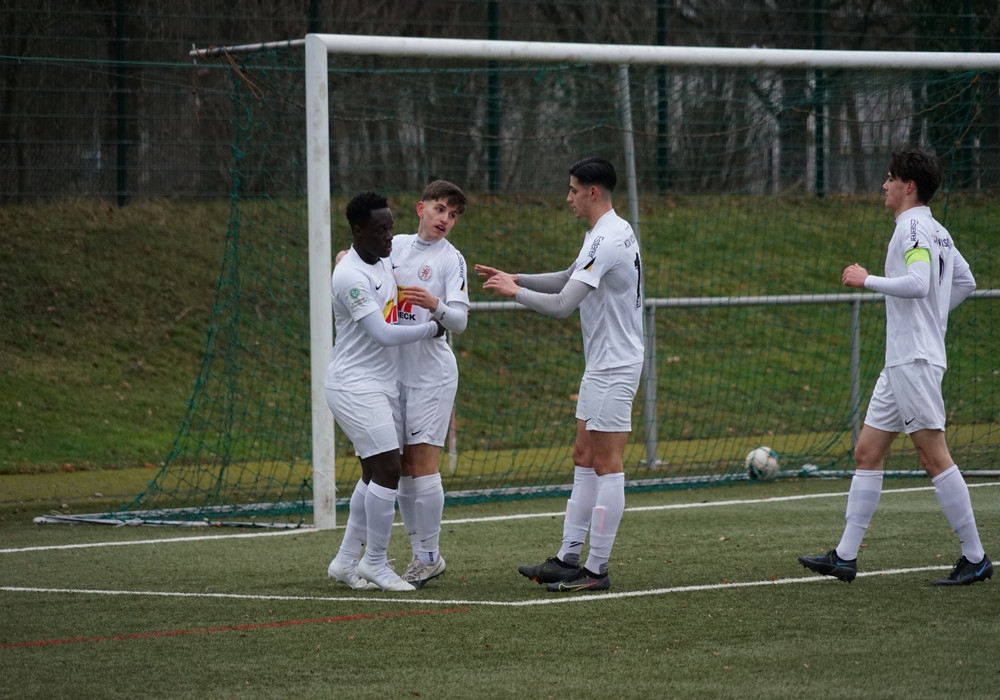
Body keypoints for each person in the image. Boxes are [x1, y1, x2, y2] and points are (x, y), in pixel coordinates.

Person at [799, 146, 991, 586]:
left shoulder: (913, 228)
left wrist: (866, 279)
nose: (884, 185)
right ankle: (845, 557)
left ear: (909, 186)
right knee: (867, 452)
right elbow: (965, 281)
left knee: (933, 456)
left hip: (914, 360)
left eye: (890, 178)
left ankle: (976, 557)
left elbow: (920, 283)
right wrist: (932, 317)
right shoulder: (937, 230)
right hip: (901, 361)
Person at [474, 156, 644, 593]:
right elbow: (569, 278)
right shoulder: (607, 231)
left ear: (592, 192)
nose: (568, 197)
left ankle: (596, 570)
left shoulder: (606, 238)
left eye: (573, 190)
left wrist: (515, 293)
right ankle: (568, 558)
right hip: (602, 363)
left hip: (615, 364)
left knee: (607, 465)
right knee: (584, 456)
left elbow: (564, 305)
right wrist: (517, 277)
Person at [324, 191, 445, 593]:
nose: (390, 236)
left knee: (373, 473)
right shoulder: (350, 276)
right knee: (391, 469)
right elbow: (382, 333)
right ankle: (374, 561)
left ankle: (345, 561)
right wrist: (432, 328)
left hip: (379, 384)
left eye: (392, 227)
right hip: (354, 386)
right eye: (381, 230)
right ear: (358, 231)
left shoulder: (382, 259)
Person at [391, 180, 470, 589]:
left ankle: (429, 556)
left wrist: (435, 304)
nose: (446, 219)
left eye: (453, 215)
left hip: (432, 376)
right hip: (393, 372)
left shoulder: (451, 260)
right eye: (440, 209)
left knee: (422, 465)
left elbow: (460, 320)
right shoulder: (396, 246)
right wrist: (345, 257)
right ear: (421, 208)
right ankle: (420, 554)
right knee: (401, 468)